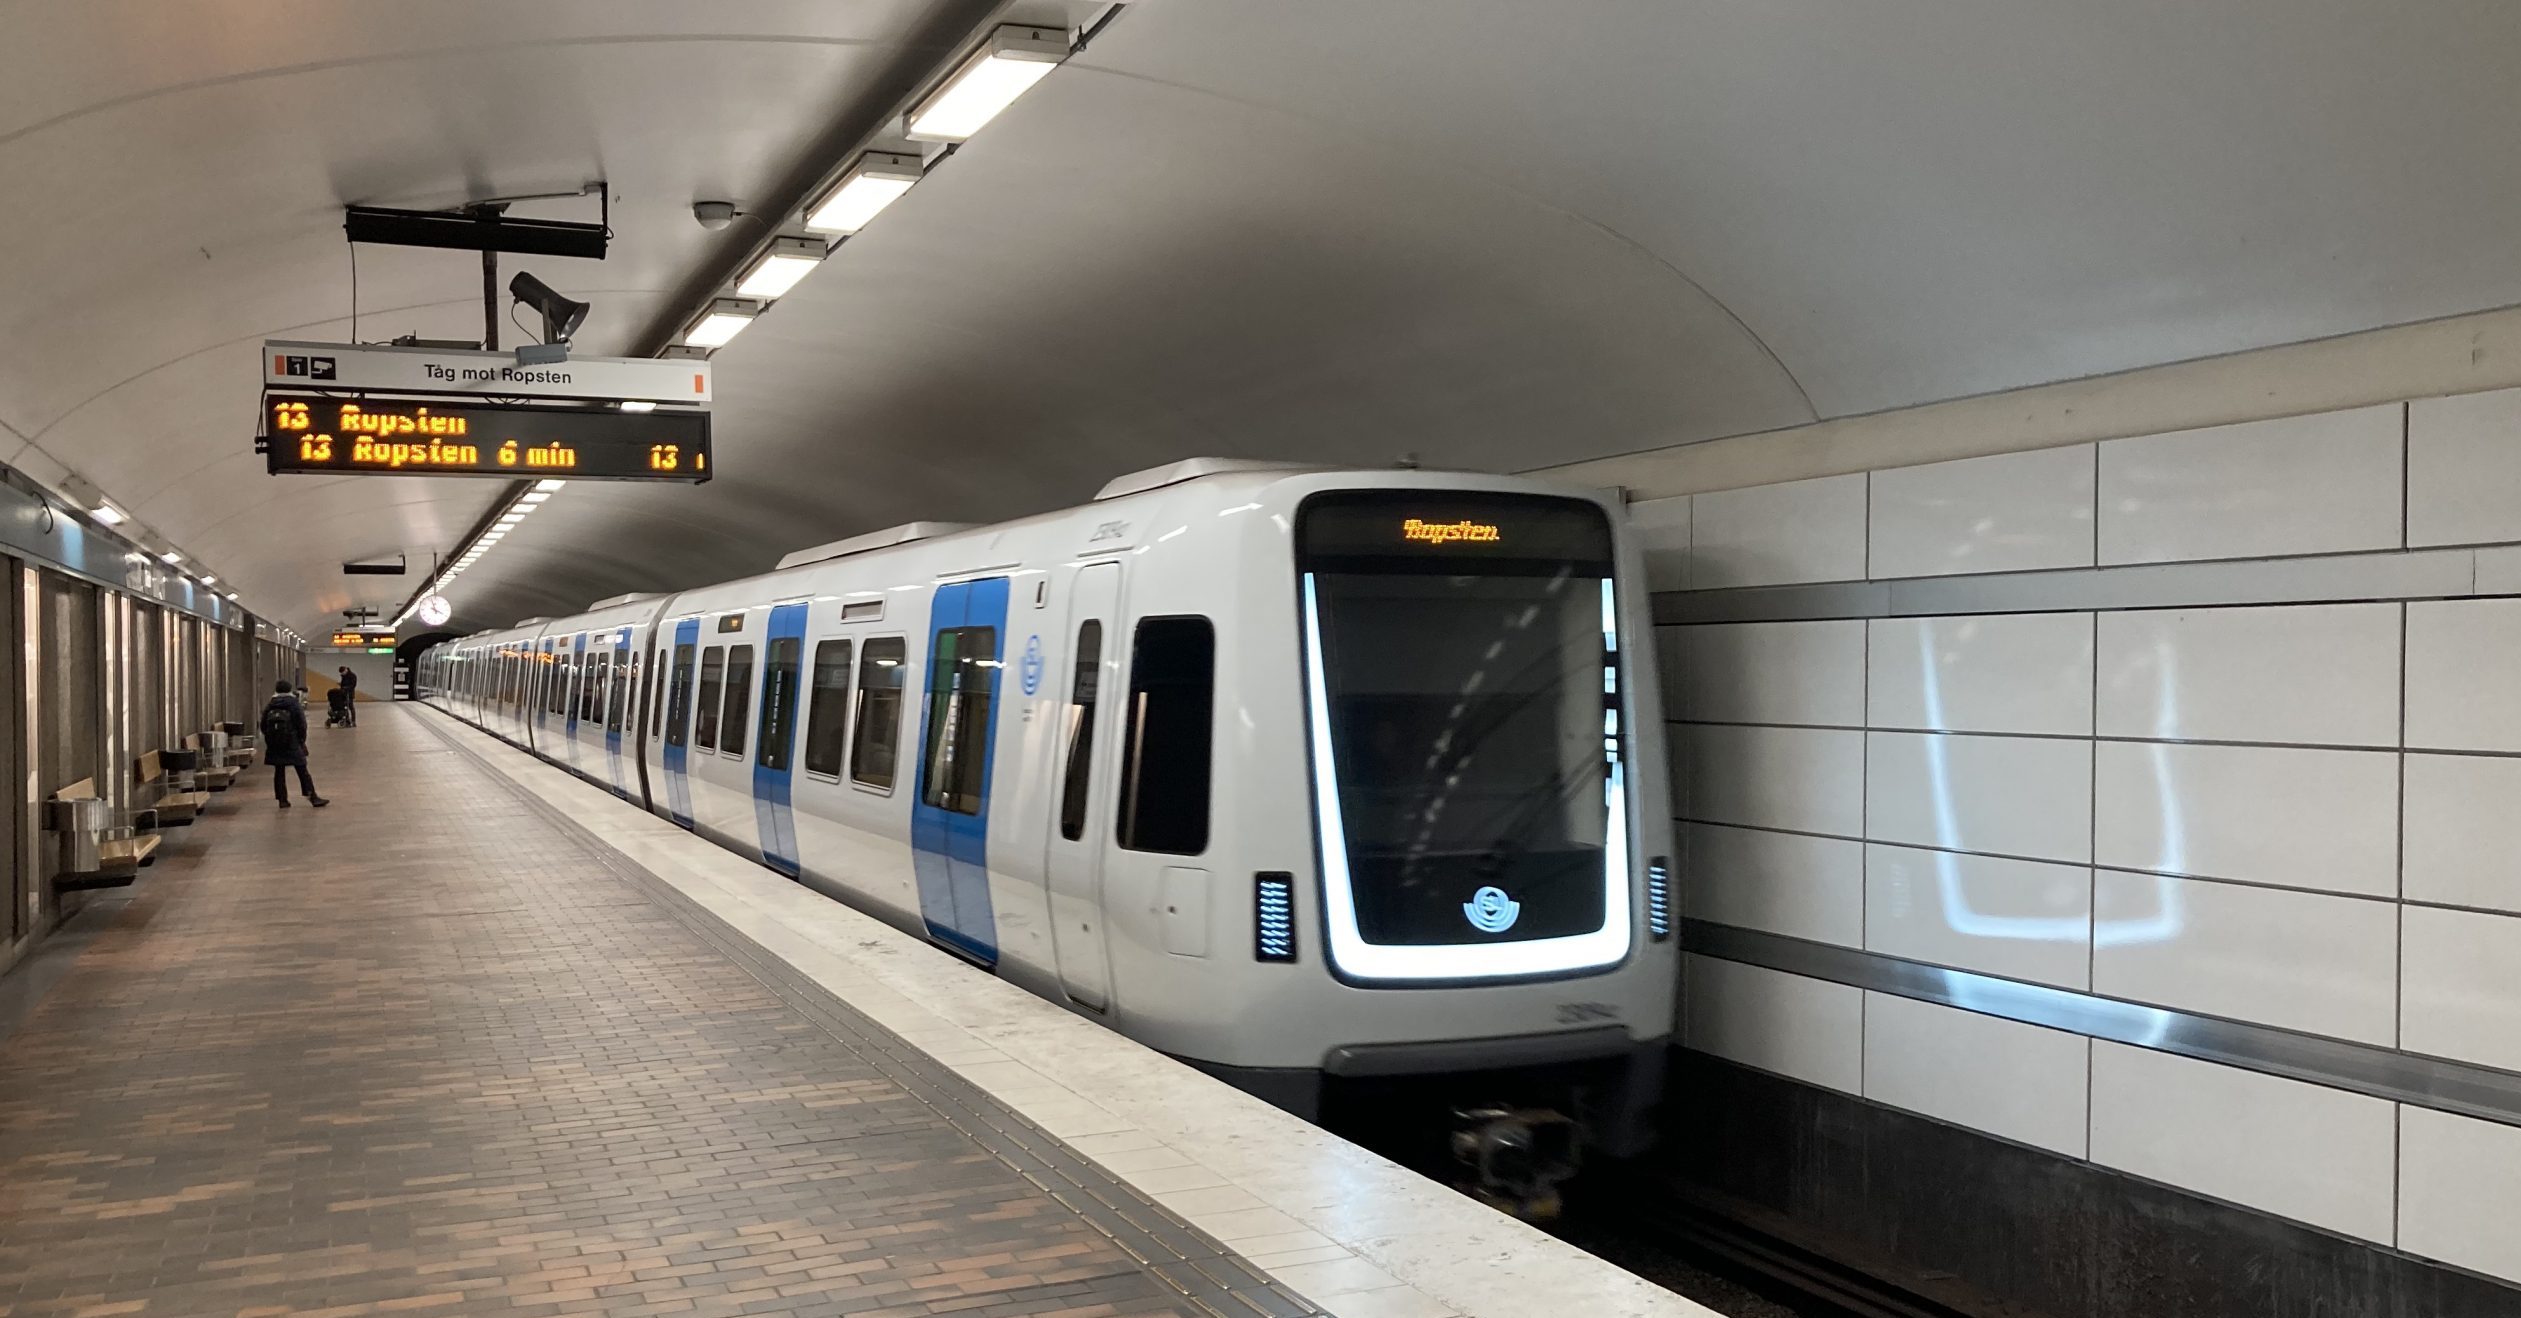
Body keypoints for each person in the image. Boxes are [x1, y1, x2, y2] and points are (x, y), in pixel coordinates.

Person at [260, 679, 328, 808]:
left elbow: (263, 725)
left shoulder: (271, 704)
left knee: (279, 772)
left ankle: (282, 800)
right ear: (289, 690)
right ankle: (312, 796)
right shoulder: (293, 704)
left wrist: (272, 738)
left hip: (275, 744)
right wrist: (301, 741)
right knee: (302, 770)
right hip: (292, 742)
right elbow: (302, 725)